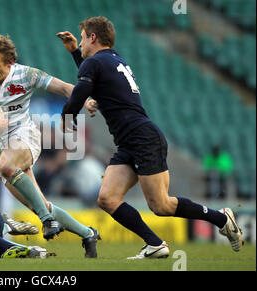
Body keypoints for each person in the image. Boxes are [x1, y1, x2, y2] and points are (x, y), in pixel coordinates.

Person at [56, 16, 243, 259]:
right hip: (130, 140)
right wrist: (74, 53)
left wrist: (67, 114)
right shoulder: (112, 59)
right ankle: (155, 244)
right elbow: (89, 75)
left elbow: (82, 87)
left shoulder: (96, 63)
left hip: (142, 138)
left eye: (81, 39)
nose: (80, 44)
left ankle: (220, 218)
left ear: (93, 38)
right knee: (107, 198)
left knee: (161, 206)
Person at [0, 33, 100, 258]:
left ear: (10, 63)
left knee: (8, 168)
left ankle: (46, 221)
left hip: (25, 136)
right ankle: (87, 233)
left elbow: (63, 88)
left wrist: (87, 100)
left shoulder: (26, 74)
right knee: (40, 203)